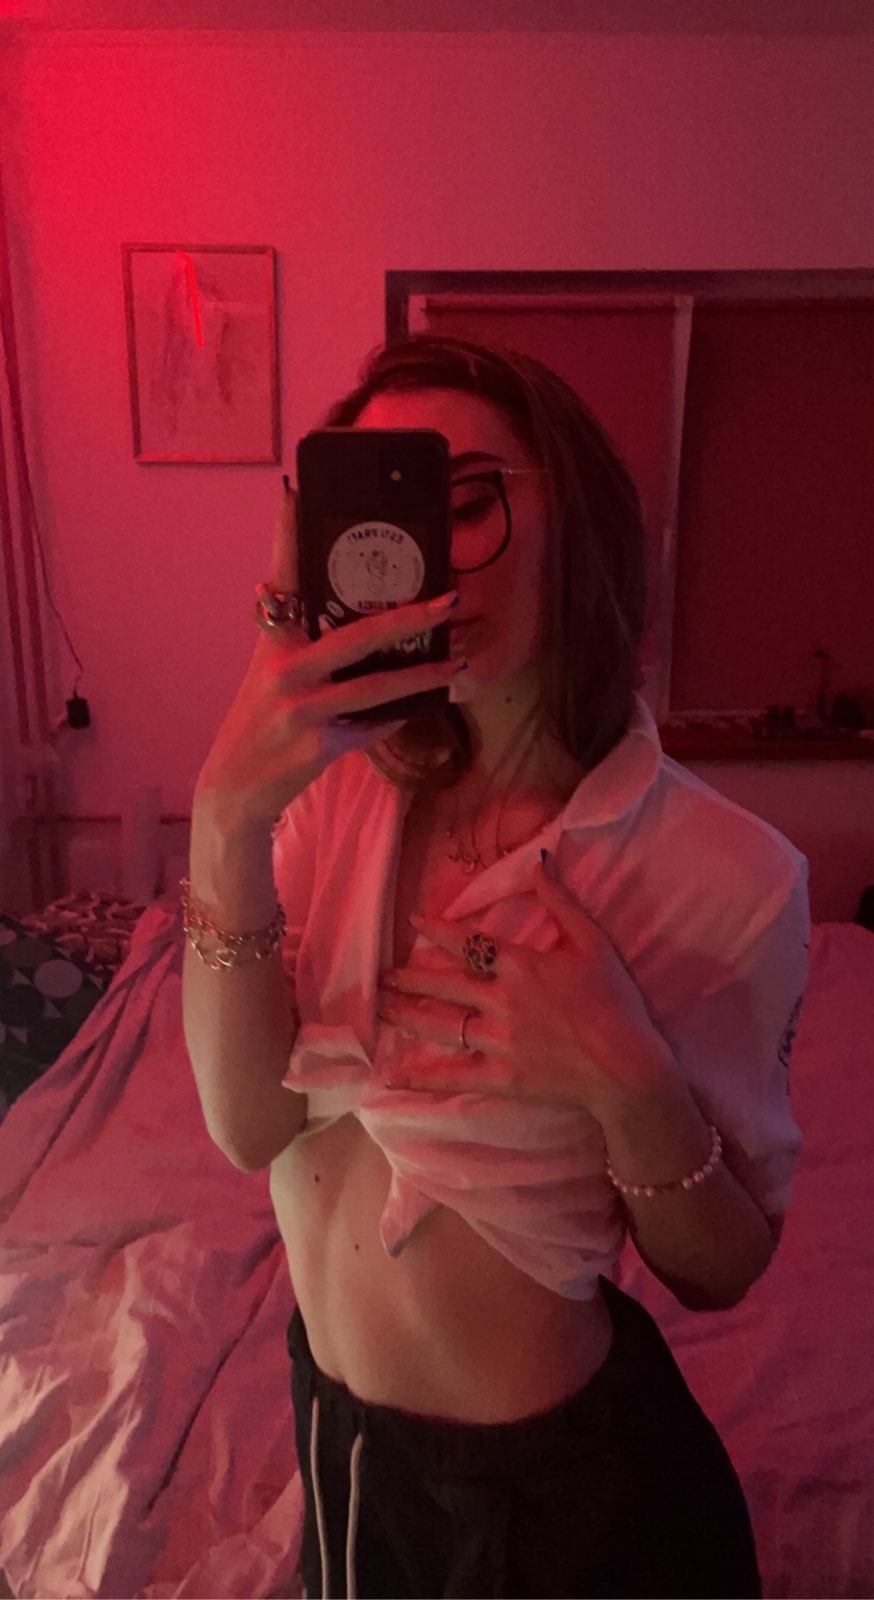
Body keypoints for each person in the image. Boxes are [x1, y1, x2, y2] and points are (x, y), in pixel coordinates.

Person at [182, 333, 810, 1600]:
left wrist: (627, 1076)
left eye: (465, 500)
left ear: (577, 522)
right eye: (373, 516)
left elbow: (718, 1270)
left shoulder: (726, 875)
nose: (410, 556)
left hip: (561, 1503)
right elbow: (250, 1127)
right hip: (340, 1436)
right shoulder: (329, 796)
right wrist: (224, 818)